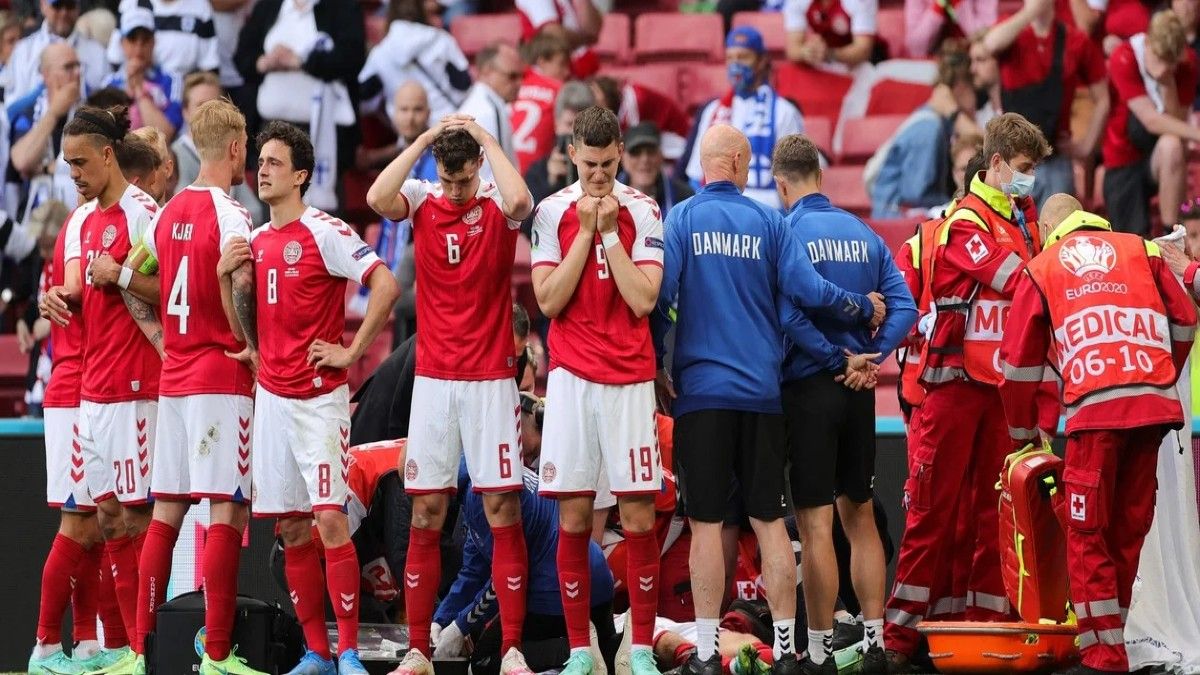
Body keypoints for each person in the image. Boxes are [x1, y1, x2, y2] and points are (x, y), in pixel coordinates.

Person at [654, 124, 886, 675]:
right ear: (738, 162)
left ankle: (707, 653)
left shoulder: (681, 220)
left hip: (701, 394)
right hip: (762, 394)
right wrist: (859, 308)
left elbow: (661, 301)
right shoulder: (767, 222)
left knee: (707, 523)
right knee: (767, 520)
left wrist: (656, 367)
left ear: (704, 165)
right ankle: (786, 651)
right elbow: (807, 293)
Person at [218, 121, 400, 675]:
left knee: (329, 522)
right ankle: (317, 653)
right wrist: (229, 283)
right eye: (261, 161)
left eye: (274, 162)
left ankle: (348, 651)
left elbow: (386, 284)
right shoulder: (254, 240)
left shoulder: (325, 231)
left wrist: (351, 352)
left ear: (300, 175)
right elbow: (241, 332)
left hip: (319, 402)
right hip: (271, 399)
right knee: (291, 528)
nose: (262, 170)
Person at [998, 193, 1197, 674]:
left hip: (1095, 416)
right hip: (1153, 412)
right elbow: (1187, 320)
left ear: (1048, 230)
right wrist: (1159, 375)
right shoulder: (1142, 250)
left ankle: (1102, 656)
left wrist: (1026, 435)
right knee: (1128, 531)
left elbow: (1017, 366)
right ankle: (1114, 644)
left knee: (1087, 535)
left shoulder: (1042, 266)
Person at [364, 113, 535, 675]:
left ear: (478, 167)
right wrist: (419, 141)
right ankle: (418, 648)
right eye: (448, 179)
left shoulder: (492, 201)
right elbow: (375, 195)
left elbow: (522, 203)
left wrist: (487, 138)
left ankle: (511, 648)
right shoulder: (422, 197)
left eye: (463, 179)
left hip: (489, 379)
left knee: (502, 506)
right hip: (435, 382)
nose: (455, 190)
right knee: (426, 512)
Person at [883, 112, 1050, 671]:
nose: (1030, 181)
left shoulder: (1025, 220)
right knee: (932, 512)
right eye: (1024, 169)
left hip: (999, 391)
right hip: (951, 389)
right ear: (996, 163)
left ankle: (983, 626)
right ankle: (899, 639)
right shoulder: (961, 225)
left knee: (990, 512)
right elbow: (1021, 281)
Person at [108, 98, 263, 675]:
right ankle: (219, 655)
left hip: (174, 381)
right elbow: (240, 277)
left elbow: (132, 279)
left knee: (166, 513)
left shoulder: (165, 215)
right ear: (236, 147)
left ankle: (141, 652)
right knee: (226, 511)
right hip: (220, 376)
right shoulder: (230, 213)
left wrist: (160, 341)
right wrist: (251, 344)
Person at [771, 134, 917, 673]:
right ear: (821, 176)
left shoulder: (786, 231)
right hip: (859, 394)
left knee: (813, 525)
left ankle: (822, 650)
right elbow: (906, 305)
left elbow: (787, 316)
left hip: (810, 388)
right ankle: (876, 644)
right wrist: (870, 358)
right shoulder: (863, 233)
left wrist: (837, 359)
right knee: (859, 516)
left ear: (782, 184)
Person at [528, 105, 663, 675]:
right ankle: (582, 650)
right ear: (573, 154)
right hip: (571, 382)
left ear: (621, 152)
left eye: (609, 164)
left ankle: (640, 650)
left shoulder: (644, 210)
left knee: (637, 517)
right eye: (590, 164)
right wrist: (585, 233)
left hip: (630, 379)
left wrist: (608, 236)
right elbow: (549, 301)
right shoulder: (550, 212)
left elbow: (644, 299)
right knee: (575, 519)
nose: (600, 175)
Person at [38, 104, 165, 675]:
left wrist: (123, 276)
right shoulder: (85, 221)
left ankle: (142, 646)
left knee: (135, 521)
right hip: (91, 391)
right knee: (107, 519)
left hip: (137, 389)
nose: (75, 175)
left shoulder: (144, 213)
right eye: (68, 166)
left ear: (109, 155)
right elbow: (82, 296)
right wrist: (55, 301)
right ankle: (122, 646)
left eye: (82, 163)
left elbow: (172, 290)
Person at [28, 198, 131, 673]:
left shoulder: (100, 221)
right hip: (75, 387)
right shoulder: (86, 224)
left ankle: (89, 642)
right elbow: (71, 291)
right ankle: (46, 647)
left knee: (94, 527)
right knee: (80, 525)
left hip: (90, 386)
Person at [435, 459, 617, 675]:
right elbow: (474, 571)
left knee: (485, 659)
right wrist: (441, 619)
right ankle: (646, 643)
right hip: (595, 575)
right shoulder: (483, 476)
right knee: (611, 653)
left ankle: (575, 651)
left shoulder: (480, 496)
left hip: (557, 586)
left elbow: (508, 575)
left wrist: (461, 625)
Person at [233, 0, 366, 210]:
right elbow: (242, 56)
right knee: (273, 203)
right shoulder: (270, 5)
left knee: (323, 211)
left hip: (323, 132)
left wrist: (300, 61)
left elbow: (352, 57)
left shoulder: (342, 6)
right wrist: (265, 62)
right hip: (271, 128)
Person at [980, 0, 1109, 207]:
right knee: (1008, 227)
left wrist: (1086, 147)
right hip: (1010, 156)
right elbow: (990, 44)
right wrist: (1030, 13)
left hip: (1054, 155)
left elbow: (1103, 97)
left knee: (1056, 229)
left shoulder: (1074, 39)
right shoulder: (1012, 31)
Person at [1102, 10, 1200, 237]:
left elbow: (1175, 124)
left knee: (1172, 144)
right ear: (1148, 42)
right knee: (1132, 240)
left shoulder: (1186, 64)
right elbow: (1152, 121)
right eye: (1160, 58)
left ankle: (1170, 235)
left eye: (1170, 62)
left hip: (1158, 159)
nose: (1165, 67)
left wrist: (1167, 84)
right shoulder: (1124, 56)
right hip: (1124, 159)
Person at [684, 27, 804, 209]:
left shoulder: (784, 111)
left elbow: (795, 178)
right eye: (730, 58)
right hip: (718, 210)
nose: (735, 65)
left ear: (761, 61)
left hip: (768, 212)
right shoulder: (712, 111)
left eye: (743, 57)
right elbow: (695, 175)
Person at [868, 42, 981, 219]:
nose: (977, 102)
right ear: (961, 86)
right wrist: (953, 201)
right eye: (976, 92)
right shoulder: (929, 128)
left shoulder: (940, 125)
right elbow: (915, 192)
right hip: (895, 221)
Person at [358, 0, 472, 126]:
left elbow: (363, 100)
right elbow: (464, 85)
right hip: (447, 124)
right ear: (422, 10)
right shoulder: (442, 40)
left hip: (408, 130)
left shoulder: (379, 53)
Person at [170, 72, 265, 220]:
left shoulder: (231, 151)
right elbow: (181, 211)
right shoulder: (174, 154)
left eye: (214, 105)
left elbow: (255, 212)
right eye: (200, 105)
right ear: (185, 111)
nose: (208, 113)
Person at [9, 42, 82, 212]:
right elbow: (22, 161)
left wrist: (45, 169)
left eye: (78, 66)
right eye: (68, 67)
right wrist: (54, 113)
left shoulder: (92, 109)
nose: (77, 73)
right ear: (47, 75)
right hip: (36, 215)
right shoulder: (27, 112)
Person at [100, 8, 182, 139]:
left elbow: (165, 135)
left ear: (154, 42)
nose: (139, 48)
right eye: (132, 39)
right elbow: (105, 134)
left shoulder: (171, 80)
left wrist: (139, 90)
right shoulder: (109, 83)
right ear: (122, 43)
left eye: (145, 40)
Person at [2, 0, 106, 101]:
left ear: (78, 7)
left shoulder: (97, 52)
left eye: (70, 5)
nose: (64, 12)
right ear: (43, 5)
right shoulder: (23, 51)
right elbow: (11, 110)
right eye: (57, 5)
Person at [523, 81, 595, 224]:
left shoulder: (605, 166)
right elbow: (528, 226)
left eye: (582, 126)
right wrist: (551, 184)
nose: (575, 134)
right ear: (556, 124)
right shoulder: (537, 172)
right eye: (569, 124)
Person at [457, 42, 524, 180]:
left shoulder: (479, 102)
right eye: (512, 76)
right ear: (487, 71)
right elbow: (496, 177)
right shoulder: (490, 110)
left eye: (521, 76)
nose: (519, 83)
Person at [589, 75, 690, 161]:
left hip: (675, 136)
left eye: (595, 95)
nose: (593, 101)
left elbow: (632, 137)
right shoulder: (617, 108)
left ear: (607, 91)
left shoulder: (634, 99)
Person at [512, 31, 572, 173]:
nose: (567, 71)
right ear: (542, 62)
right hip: (538, 172)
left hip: (505, 171)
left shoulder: (515, 83)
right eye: (562, 64)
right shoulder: (559, 90)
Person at [617, 122, 694, 219]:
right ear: (622, 157)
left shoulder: (685, 198)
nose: (645, 159)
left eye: (651, 151)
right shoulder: (607, 195)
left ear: (661, 155)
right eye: (635, 152)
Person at [515, 0, 603, 78]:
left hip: (572, 68)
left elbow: (593, 30)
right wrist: (586, 38)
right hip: (546, 73)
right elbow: (554, 34)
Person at [784, 0, 880, 69]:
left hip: (866, 63)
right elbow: (793, 50)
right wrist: (807, 52)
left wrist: (829, 54)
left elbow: (863, 51)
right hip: (826, 59)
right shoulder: (797, 2)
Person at [903, 0, 997, 57]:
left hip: (972, 62)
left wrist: (959, 6)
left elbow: (988, 41)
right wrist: (938, 9)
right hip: (932, 63)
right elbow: (915, 48)